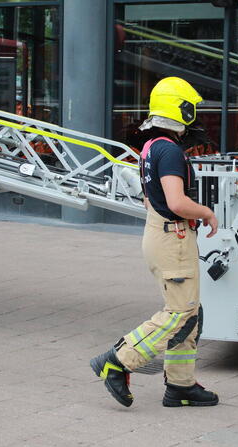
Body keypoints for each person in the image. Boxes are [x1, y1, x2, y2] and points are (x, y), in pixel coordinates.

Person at [90, 77, 219, 408]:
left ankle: (181, 386)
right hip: (173, 236)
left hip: (160, 233)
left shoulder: (149, 147)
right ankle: (118, 360)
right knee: (179, 313)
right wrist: (206, 212)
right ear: (182, 109)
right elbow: (176, 202)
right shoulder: (169, 150)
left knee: (191, 313)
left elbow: (151, 200)